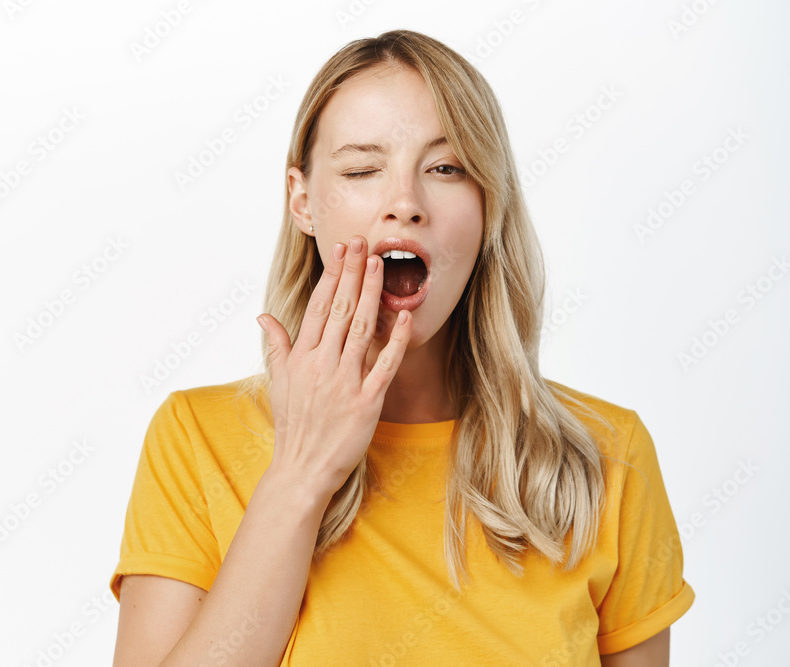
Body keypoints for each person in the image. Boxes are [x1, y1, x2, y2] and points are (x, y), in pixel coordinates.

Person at [109, 29, 694, 666]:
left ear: (488, 202)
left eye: (446, 168)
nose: (406, 204)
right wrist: (302, 474)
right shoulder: (195, 439)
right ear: (303, 202)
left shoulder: (606, 457)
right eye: (362, 169)